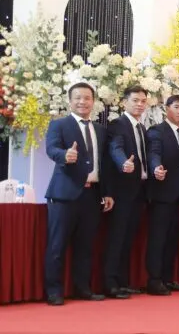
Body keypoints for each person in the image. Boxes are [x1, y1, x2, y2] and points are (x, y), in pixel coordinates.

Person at [43, 82, 111, 306]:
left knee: (86, 246)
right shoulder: (59, 124)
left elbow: (104, 164)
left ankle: (83, 289)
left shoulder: (100, 130)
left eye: (87, 98)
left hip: (92, 196)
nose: (82, 102)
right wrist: (64, 155)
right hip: (64, 195)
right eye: (78, 98)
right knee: (57, 246)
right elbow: (51, 148)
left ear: (93, 101)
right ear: (70, 101)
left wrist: (107, 192)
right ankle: (54, 291)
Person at [101, 86, 149, 299]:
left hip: (139, 192)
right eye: (135, 100)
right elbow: (116, 148)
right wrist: (123, 163)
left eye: (143, 101)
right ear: (124, 102)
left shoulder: (142, 128)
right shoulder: (117, 124)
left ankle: (122, 281)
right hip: (122, 192)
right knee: (117, 238)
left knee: (128, 238)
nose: (139, 104)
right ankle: (110, 283)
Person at [145, 95, 179, 295]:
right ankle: (154, 280)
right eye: (177, 107)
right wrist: (156, 168)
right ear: (167, 108)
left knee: (173, 238)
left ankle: (167, 278)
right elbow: (153, 153)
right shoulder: (157, 131)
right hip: (162, 194)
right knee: (158, 238)